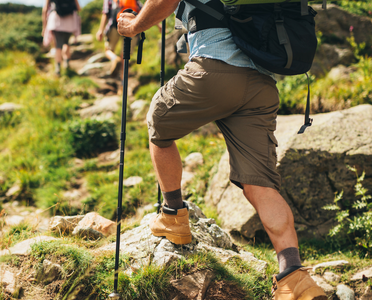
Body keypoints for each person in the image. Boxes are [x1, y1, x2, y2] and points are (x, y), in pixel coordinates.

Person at [117, 0, 328, 299]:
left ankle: (174, 214)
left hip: (213, 69)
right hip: (260, 87)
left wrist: (135, 25)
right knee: (261, 184)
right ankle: (295, 277)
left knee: (159, 120)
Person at [95, 0, 142, 78]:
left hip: (114, 24)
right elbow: (143, 10)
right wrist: (158, 25)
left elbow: (105, 13)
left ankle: (115, 59)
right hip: (131, 25)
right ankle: (123, 84)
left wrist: (100, 30)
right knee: (125, 57)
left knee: (108, 50)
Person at [42, 0, 81, 75]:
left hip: (56, 20)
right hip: (70, 21)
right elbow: (78, 8)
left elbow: (45, 10)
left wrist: (44, 27)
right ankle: (67, 65)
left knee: (58, 46)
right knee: (66, 43)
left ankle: (58, 69)